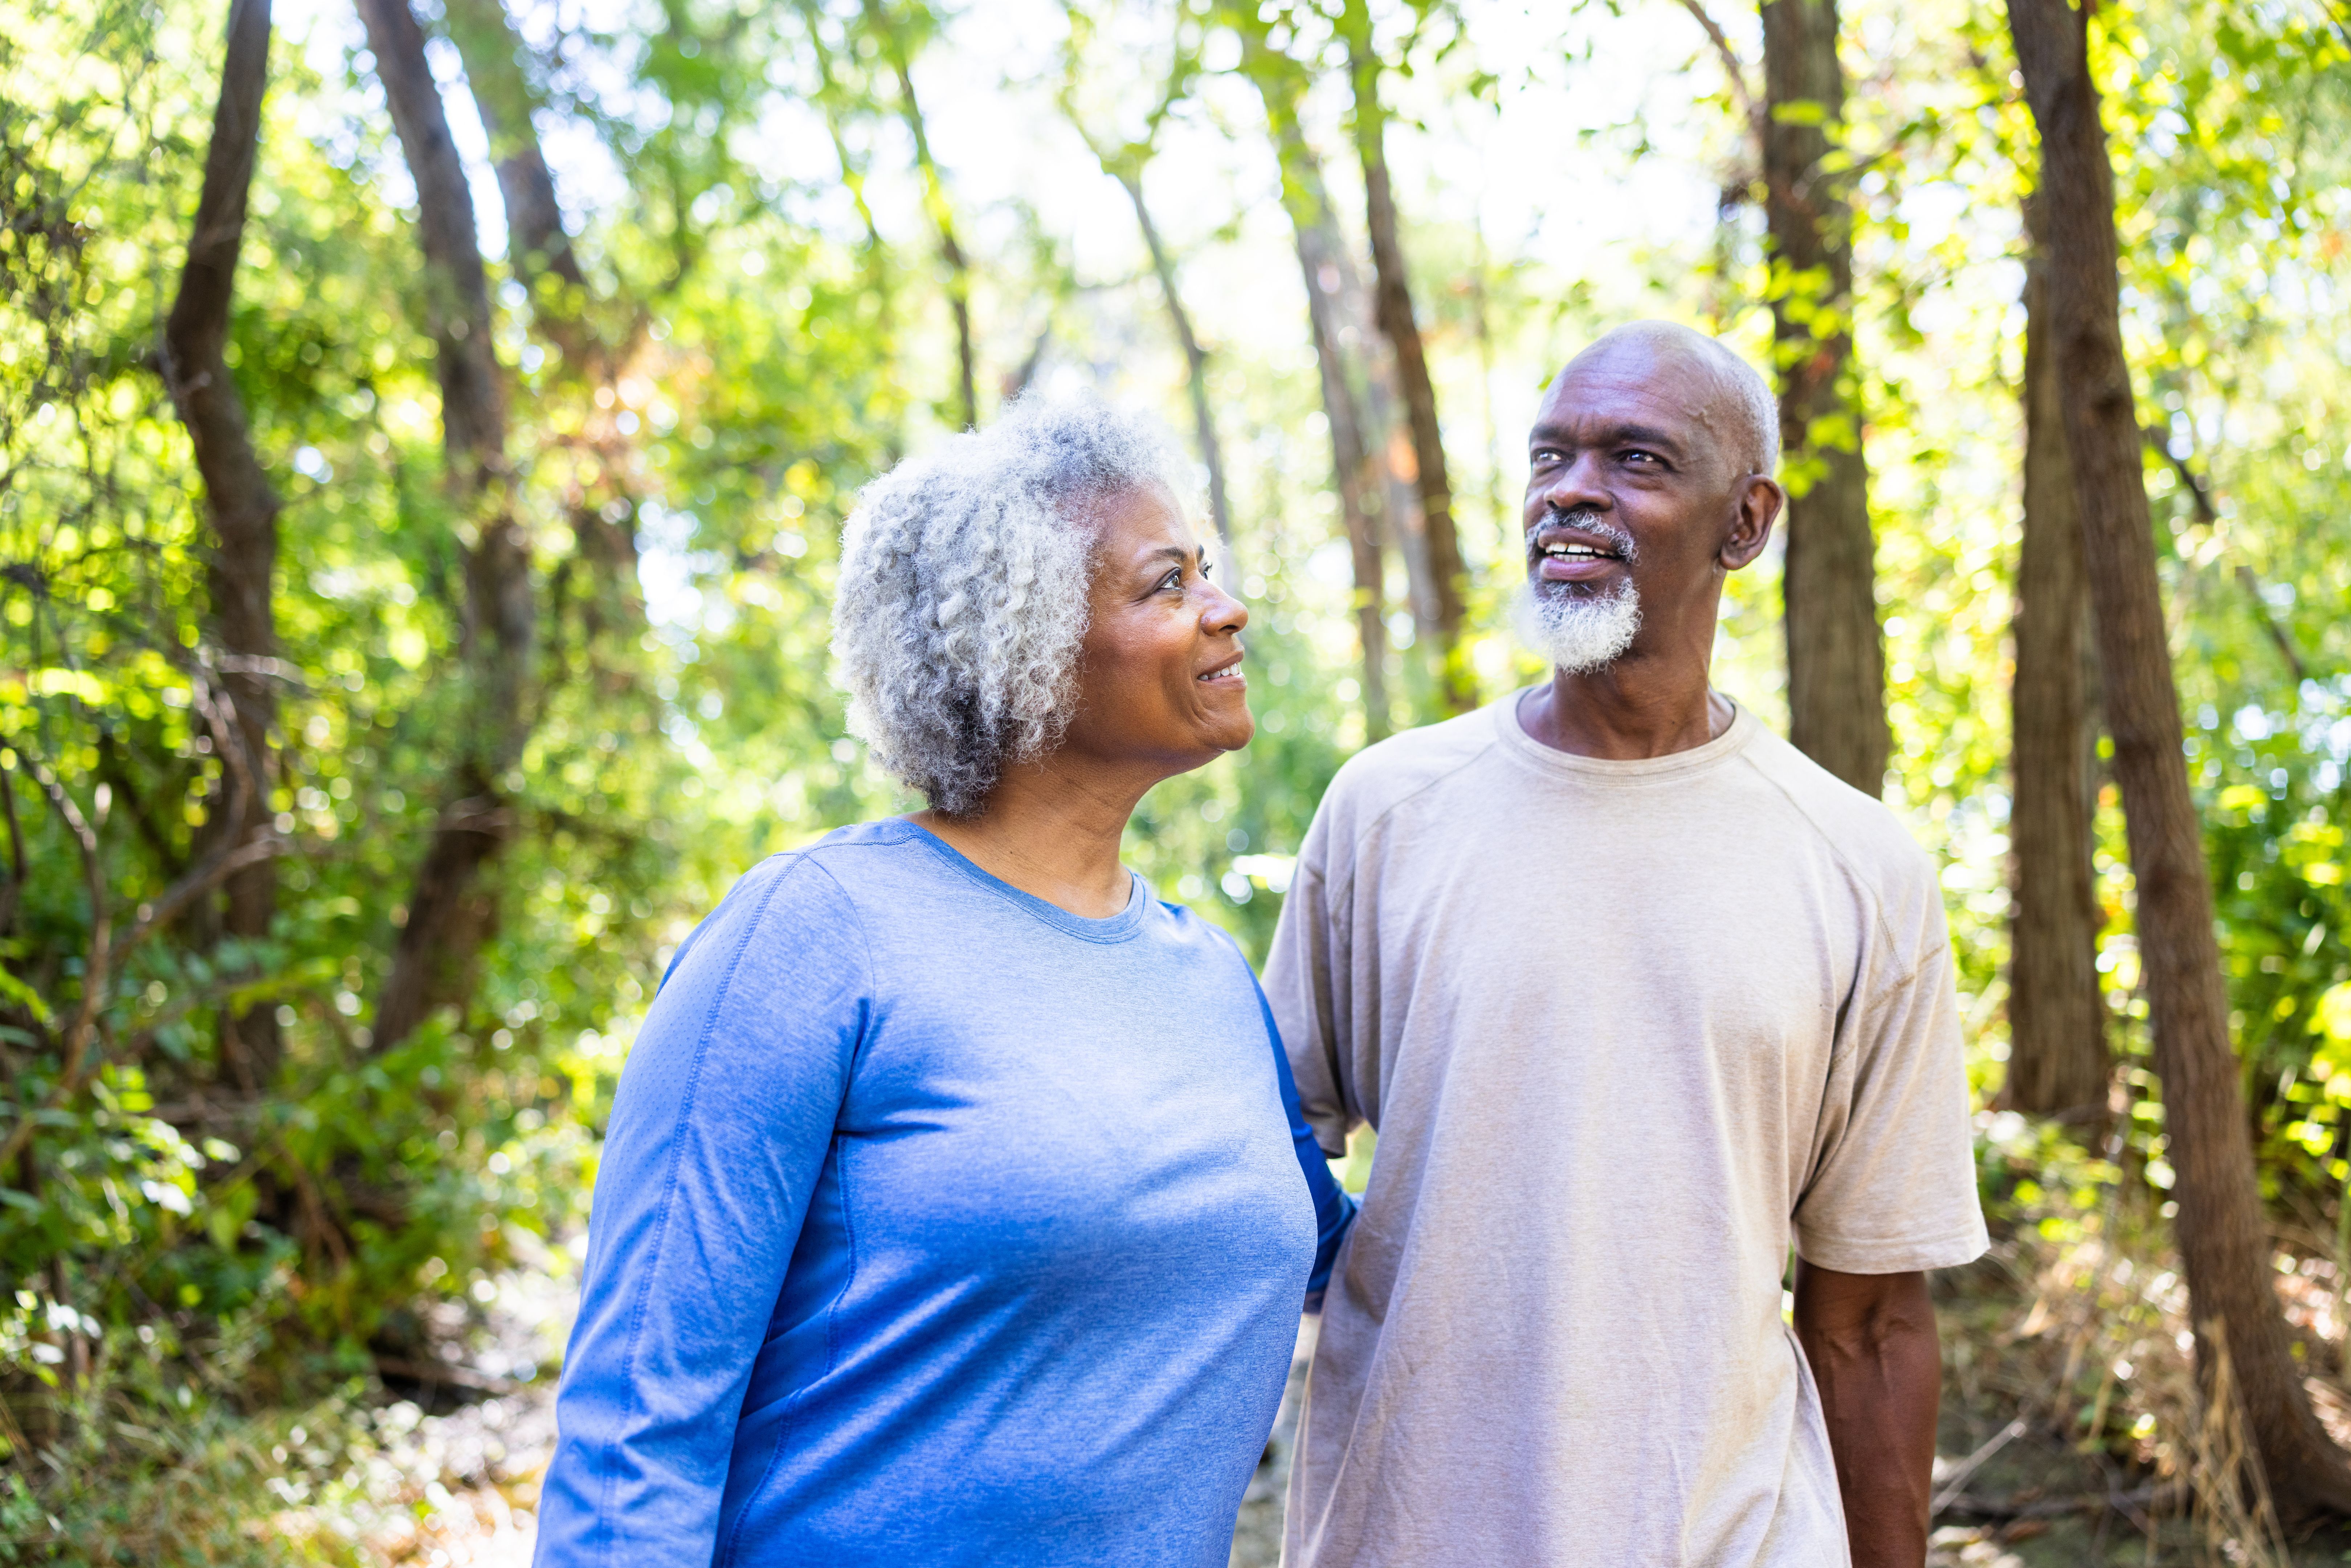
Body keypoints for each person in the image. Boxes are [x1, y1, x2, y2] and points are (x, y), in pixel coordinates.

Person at [533, 397, 1353, 1568]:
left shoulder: (1210, 979)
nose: (1226, 609)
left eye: (1207, 572)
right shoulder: (809, 938)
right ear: (1023, 647)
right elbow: (637, 1429)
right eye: (1167, 584)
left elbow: (1351, 1261)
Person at [1264, 322, 1988, 1568]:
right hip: (1407, 1533)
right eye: (1552, 458)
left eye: (1637, 460)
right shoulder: (1384, 811)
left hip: (1728, 1536)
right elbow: (1254, 1184)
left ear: (1746, 522)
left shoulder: (1859, 866)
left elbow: (1869, 1321)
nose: (1574, 493)